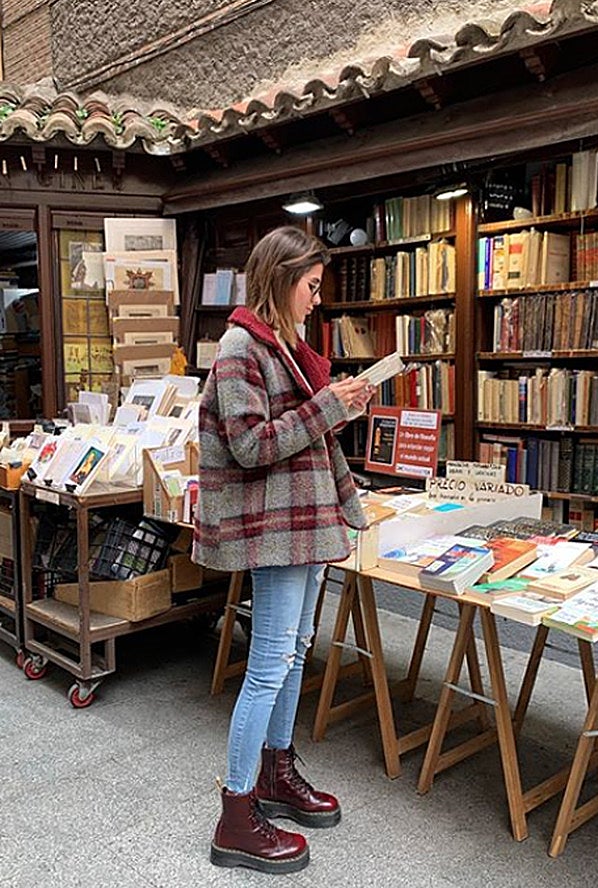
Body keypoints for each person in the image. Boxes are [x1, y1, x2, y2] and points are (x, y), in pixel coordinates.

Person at [193, 225, 374, 874]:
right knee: (270, 662)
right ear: (280, 279)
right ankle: (236, 816)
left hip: (303, 521)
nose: (316, 301)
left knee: (294, 652)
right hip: (277, 527)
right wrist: (326, 407)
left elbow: (298, 435)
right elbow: (250, 445)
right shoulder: (241, 347)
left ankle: (275, 773)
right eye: (311, 286)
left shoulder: (285, 346)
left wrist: (340, 406)